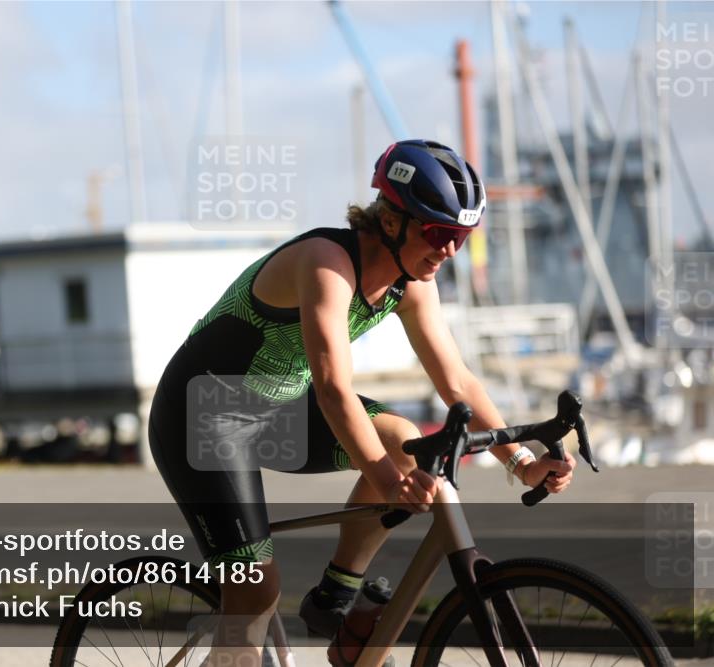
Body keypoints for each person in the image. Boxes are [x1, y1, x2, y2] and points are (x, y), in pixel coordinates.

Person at [148, 139, 577, 665]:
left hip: (276, 407)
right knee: (255, 591)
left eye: (462, 238)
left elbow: (458, 382)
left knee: (405, 442)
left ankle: (335, 597)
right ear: (392, 221)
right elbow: (332, 386)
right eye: (439, 233)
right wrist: (382, 478)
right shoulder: (326, 262)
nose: (448, 251)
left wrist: (524, 463)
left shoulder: (411, 282)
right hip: (200, 419)